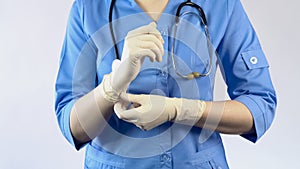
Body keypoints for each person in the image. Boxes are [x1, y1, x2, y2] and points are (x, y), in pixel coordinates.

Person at [55, 0, 277, 168]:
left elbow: (260, 105)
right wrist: (112, 86)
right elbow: (72, 126)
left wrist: (180, 110)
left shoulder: (219, 5)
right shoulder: (89, 7)